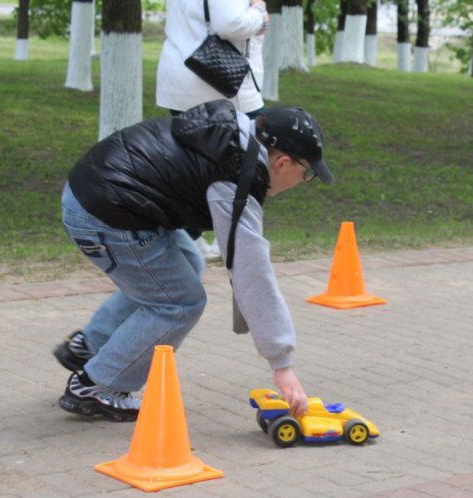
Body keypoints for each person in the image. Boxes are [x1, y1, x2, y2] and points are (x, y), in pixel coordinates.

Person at [52, 101, 334, 421]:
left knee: (189, 262)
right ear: (283, 163)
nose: (303, 180)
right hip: (104, 215)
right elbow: (251, 271)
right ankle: (98, 385)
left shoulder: (230, 132)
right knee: (179, 303)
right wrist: (281, 364)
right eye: (306, 172)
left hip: (96, 194)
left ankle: (91, 345)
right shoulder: (237, 179)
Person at [156, 0, 269, 262]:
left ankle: (189, 235)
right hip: (220, 83)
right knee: (246, 165)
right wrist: (260, 16)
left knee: (191, 167)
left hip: (186, 74)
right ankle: (231, 237)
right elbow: (229, 23)